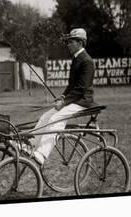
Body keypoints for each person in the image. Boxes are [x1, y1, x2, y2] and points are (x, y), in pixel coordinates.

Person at [16, 28, 95, 165]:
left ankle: (41, 154)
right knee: (45, 117)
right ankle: (31, 146)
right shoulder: (77, 59)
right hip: (74, 100)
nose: (68, 45)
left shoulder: (86, 61)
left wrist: (64, 103)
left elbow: (81, 89)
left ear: (80, 43)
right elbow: (72, 86)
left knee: (55, 118)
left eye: (71, 42)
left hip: (83, 102)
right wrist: (62, 97)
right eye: (68, 42)